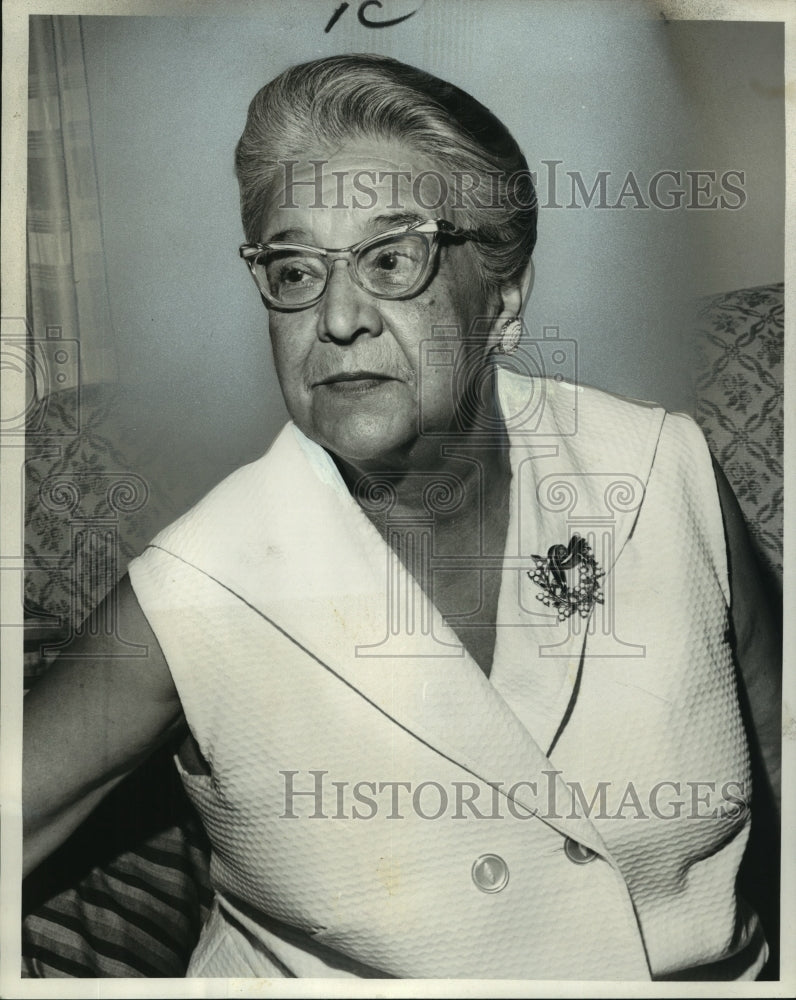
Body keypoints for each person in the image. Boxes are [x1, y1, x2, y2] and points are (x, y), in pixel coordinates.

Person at [23, 53, 781, 980]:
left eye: (391, 258)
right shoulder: (200, 583)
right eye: (295, 269)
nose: (339, 317)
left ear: (502, 298)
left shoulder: (664, 473)